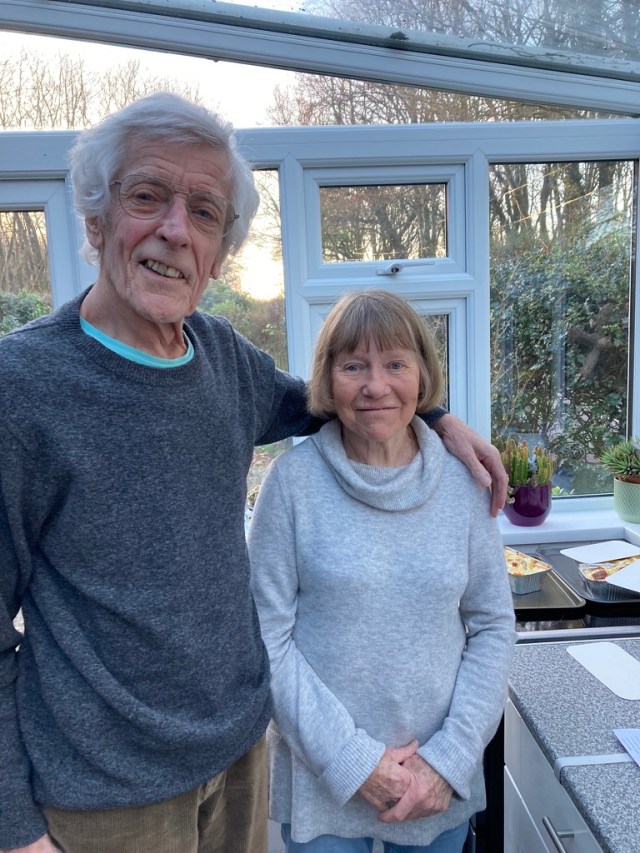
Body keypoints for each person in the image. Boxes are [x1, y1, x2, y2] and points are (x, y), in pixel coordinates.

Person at [0, 94, 506, 853]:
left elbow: (340, 400)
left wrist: (436, 417)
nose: (176, 229)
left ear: (219, 252)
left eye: (204, 212)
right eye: (147, 196)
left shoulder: (223, 360)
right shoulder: (22, 387)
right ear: (95, 217)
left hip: (238, 762)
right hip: (107, 794)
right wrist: (13, 826)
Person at [249, 290, 517, 853]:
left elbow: (492, 625)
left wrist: (448, 761)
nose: (376, 386)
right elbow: (265, 636)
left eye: (396, 364)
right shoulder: (292, 485)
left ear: (422, 375)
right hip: (323, 783)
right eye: (353, 367)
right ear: (327, 380)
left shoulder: (462, 485)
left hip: (434, 784)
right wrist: (352, 761)